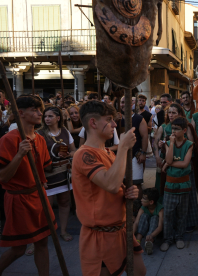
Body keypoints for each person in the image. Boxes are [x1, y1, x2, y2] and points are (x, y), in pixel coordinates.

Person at [71, 100, 146, 276]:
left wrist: (128, 192)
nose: (114, 124)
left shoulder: (108, 152)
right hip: (100, 236)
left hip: (122, 230)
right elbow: (110, 184)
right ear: (93, 123)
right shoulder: (83, 154)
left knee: (139, 272)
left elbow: (117, 186)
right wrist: (124, 148)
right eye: (109, 119)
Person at [0, 95, 55, 276]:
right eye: (34, 110)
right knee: (19, 248)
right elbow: (3, 177)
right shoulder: (9, 139)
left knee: (42, 243)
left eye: (40, 109)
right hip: (18, 198)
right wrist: (19, 154)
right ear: (21, 113)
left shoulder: (41, 139)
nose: (40, 113)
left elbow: (45, 168)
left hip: (39, 195)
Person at [38, 106, 76, 243]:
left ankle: (63, 230)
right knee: (45, 206)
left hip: (64, 173)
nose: (46, 119)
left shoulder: (65, 131)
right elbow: (37, 157)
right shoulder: (40, 133)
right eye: (45, 116)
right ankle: (43, 232)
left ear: (58, 118)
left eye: (50, 116)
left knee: (65, 202)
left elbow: (74, 150)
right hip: (47, 173)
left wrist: (68, 154)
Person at [160, 117, 193, 252]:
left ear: (184, 130)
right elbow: (168, 158)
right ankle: (167, 239)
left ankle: (179, 237)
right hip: (170, 185)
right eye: (172, 129)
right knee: (168, 214)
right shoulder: (168, 142)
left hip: (184, 184)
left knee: (182, 213)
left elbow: (185, 164)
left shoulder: (189, 144)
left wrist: (168, 165)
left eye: (177, 129)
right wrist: (171, 144)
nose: (173, 131)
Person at [133, 188, 163, 255]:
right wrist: (131, 235)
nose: (141, 200)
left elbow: (160, 227)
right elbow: (136, 222)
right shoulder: (143, 208)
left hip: (154, 232)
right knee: (143, 216)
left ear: (151, 202)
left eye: (144, 198)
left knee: (155, 218)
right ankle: (138, 241)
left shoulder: (160, 209)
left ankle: (149, 243)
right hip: (144, 227)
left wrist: (151, 235)